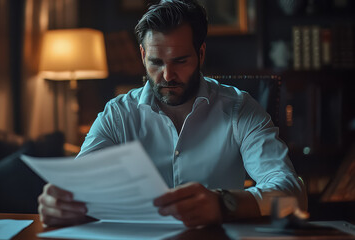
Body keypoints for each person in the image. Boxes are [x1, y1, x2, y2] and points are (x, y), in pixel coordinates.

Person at [38, 0, 307, 228]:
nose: (167, 76)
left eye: (180, 61)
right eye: (156, 62)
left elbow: (294, 197)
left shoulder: (240, 108)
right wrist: (61, 203)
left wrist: (223, 204)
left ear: (200, 54)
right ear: (143, 55)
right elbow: (78, 185)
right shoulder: (117, 115)